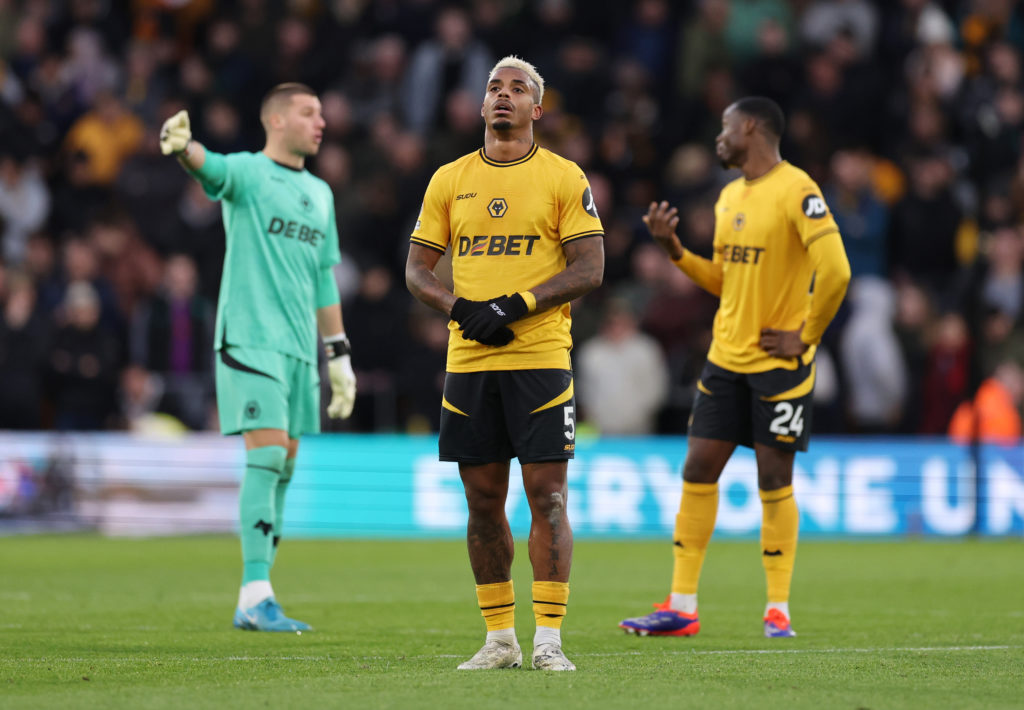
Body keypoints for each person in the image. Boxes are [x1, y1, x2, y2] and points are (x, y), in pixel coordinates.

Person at [618, 97, 851, 639]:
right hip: (725, 359)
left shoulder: (798, 189)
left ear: (750, 127)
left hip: (779, 363)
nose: (718, 139)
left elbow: (835, 270)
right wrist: (675, 250)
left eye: (724, 128)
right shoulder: (728, 198)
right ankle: (681, 606)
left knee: (774, 478)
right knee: (698, 467)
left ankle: (777, 609)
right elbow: (726, 278)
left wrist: (806, 334)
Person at [405, 56, 604, 671]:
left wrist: (515, 304)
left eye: (518, 89)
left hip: (540, 357)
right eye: (494, 87)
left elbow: (590, 269)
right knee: (483, 502)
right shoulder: (449, 179)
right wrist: (461, 307)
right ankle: (499, 639)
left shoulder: (564, 178)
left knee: (547, 499)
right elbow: (416, 271)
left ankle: (548, 639)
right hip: (470, 362)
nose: (503, 96)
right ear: (481, 104)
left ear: (537, 109)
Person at [159, 82, 357, 632]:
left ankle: (258, 594)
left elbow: (323, 277)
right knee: (268, 458)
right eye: (308, 112)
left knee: (285, 467)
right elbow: (212, 170)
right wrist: (184, 149)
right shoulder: (249, 172)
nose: (321, 121)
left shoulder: (321, 194)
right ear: (276, 120)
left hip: (298, 350)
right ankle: (253, 592)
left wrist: (338, 356)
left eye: (321, 112)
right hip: (250, 338)